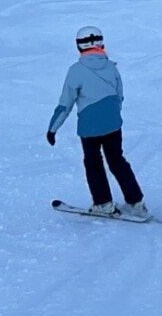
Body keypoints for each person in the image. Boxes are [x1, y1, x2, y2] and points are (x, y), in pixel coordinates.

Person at [46, 25, 148, 219]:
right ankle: (136, 202)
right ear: (101, 43)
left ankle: (103, 203)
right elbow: (119, 96)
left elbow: (65, 104)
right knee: (117, 160)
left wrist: (52, 129)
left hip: (89, 128)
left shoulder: (76, 71)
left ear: (79, 47)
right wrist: (111, 115)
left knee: (93, 162)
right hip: (113, 125)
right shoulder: (111, 67)